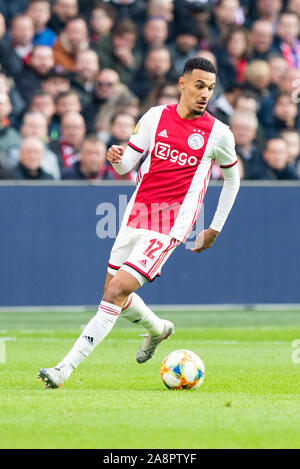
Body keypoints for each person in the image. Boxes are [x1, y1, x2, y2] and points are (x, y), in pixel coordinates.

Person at [38, 57, 240, 389]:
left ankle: (63, 370)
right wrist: (117, 158)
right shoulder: (155, 117)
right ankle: (158, 329)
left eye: (211, 88)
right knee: (112, 294)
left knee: (117, 290)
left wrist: (214, 228)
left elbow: (232, 181)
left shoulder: (218, 134)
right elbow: (127, 165)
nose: (205, 93)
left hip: (169, 226)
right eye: (200, 85)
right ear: (182, 84)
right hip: (134, 216)